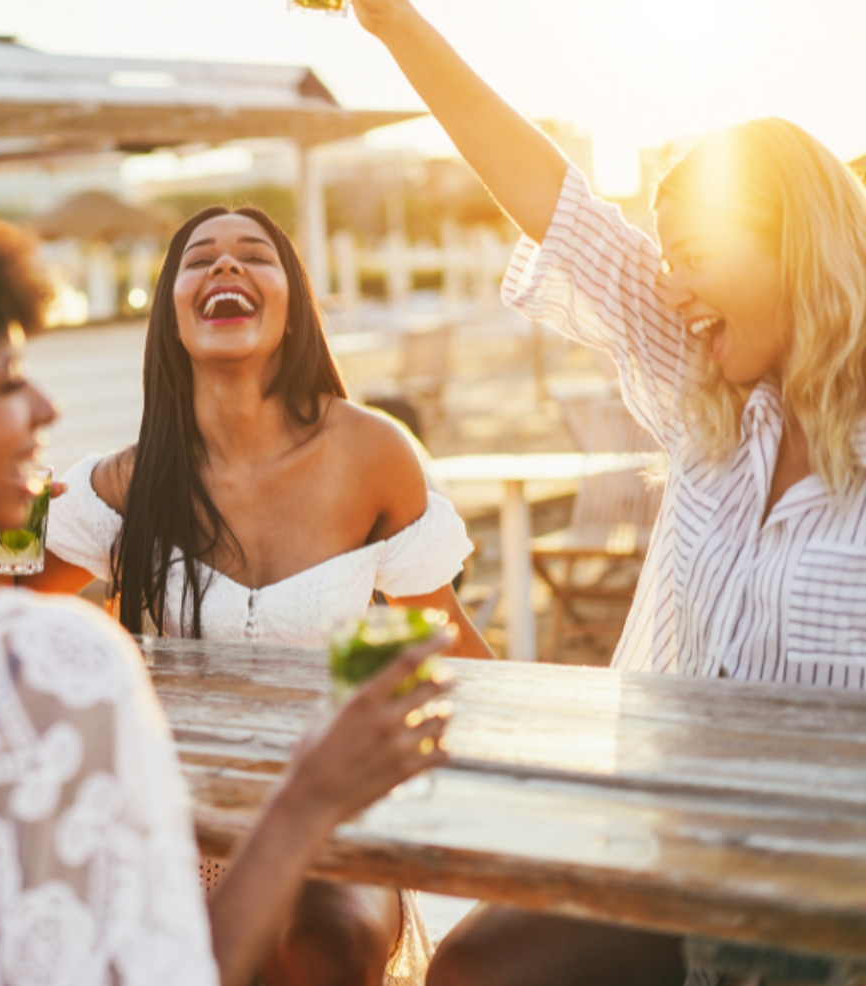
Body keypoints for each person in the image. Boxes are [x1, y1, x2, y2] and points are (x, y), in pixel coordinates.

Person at [0, 45, 455, 986]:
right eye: (200, 259)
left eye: (256, 254)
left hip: (334, 812)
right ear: (171, 316)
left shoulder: (375, 450)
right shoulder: (116, 490)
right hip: (183, 816)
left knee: (325, 949)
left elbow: (440, 638)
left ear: (294, 308)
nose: (228, 266)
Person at [344, 2, 866, 983]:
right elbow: (556, 203)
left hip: (827, 895)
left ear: (793, 246)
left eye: (697, 260)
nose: (671, 290)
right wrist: (390, 23)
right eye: (666, 266)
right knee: (469, 968)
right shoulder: (704, 392)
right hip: (665, 842)